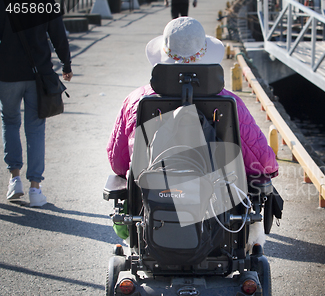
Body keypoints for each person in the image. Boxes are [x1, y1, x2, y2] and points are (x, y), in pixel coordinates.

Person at [107, 16, 278, 181]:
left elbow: (119, 165)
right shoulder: (229, 101)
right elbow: (263, 163)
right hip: (215, 196)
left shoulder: (135, 101)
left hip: (150, 191)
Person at [0, 10, 73, 207]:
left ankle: (14, 180)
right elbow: (58, 33)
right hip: (38, 74)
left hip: (7, 73)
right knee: (35, 128)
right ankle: (35, 188)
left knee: (10, 122)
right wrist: (66, 64)